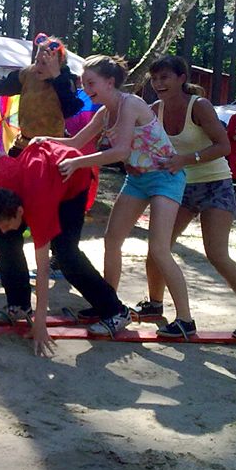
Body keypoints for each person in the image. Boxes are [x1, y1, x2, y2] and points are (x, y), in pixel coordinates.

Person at [34, 54, 195, 338]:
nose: (86, 89)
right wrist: (45, 140)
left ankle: (185, 320)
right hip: (138, 179)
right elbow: (76, 142)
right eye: (84, 84)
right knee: (111, 240)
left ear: (110, 82)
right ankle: (108, 305)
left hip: (165, 177)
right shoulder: (104, 113)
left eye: (91, 83)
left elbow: (120, 151)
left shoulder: (130, 104)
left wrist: (77, 163)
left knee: (159, 249)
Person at [139, 55, 236, 340]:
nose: (159, 83)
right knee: (158, 248)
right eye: (155, 78)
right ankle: (154, 304)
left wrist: (186, 159)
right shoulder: (153, 110)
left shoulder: (198, 106)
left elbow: (223, 146)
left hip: (215, 185)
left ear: (181, 78)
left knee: (216, 254)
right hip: (179, 188)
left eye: (165, 77)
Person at [0, 142, 133, 355]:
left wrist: (40, 322)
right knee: (6, 239)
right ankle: (19, 305)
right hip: (42, 176)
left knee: (65, 253)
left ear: (20, 211)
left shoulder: (38, 205)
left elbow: (42, 269)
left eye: (5, 223)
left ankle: (116, 311)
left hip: (73, 181)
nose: (3, 229)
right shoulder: (6, 179)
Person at [0, 35, 84, 324]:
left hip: (51, 153)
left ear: (59, 62)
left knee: (59, 240)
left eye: (45, 60)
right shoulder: (26, 74)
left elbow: (72, 108)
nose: (39, 64)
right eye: (36, 58)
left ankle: (71, 274)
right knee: (7, 230)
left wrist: (56, 76)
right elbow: (7, 83)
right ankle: (18, 304)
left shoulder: (66, 80)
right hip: (22, 148)